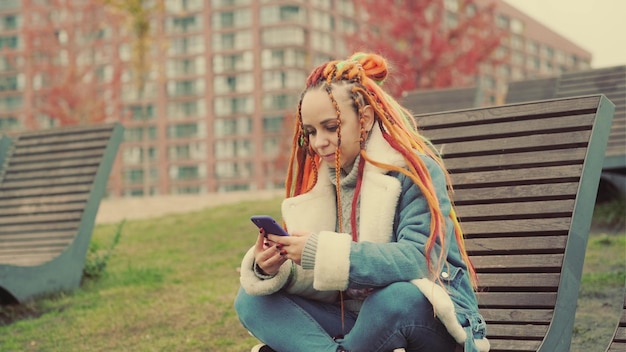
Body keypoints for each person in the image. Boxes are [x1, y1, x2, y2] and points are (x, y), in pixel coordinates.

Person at [234, 52, 489, 352]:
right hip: (354, 323)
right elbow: (319, 280)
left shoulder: (412, 172)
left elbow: (418, 260)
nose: (319, 142)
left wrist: (320, 251)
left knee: (393, 298)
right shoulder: (320, 185)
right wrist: (274, 266)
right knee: (252, 299)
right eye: (311, 132)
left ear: (364, 119)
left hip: (427, 317)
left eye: (331, 127)